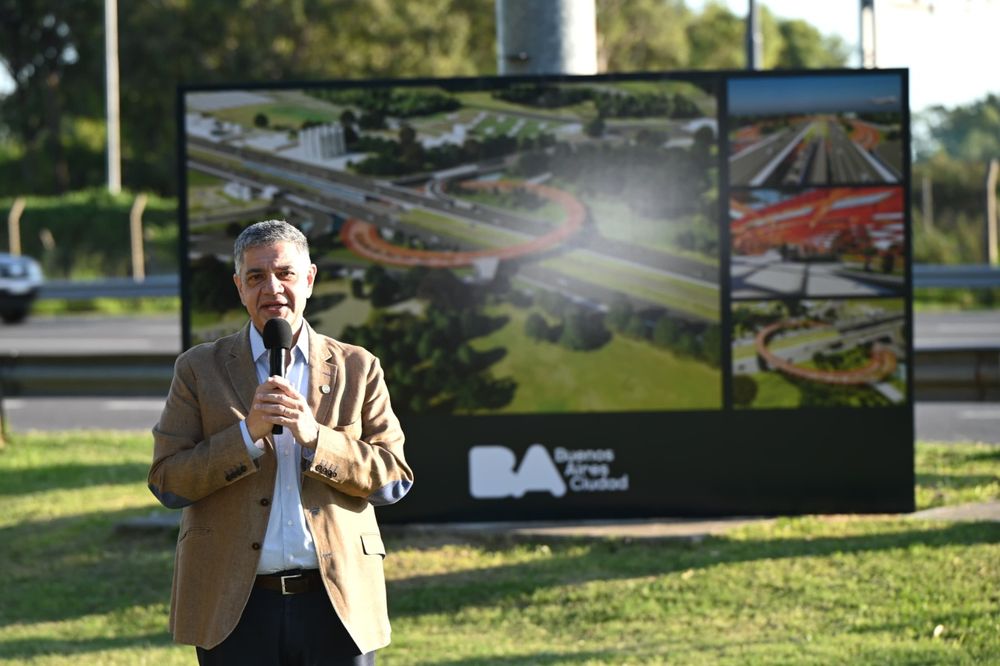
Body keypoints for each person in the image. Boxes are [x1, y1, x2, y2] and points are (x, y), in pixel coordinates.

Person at [149, 219, 413, 665]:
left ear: (309, 279)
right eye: (256, 277)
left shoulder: (358, 367)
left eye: (285, 273)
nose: (272, 288)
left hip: (337, 602)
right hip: (234, 605)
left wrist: (316, 440)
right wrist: (245, 436)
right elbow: (168, 482)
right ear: (239, 287)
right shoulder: (199, 369)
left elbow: (392, 479)